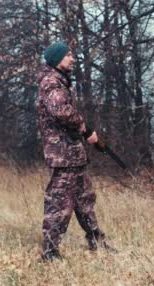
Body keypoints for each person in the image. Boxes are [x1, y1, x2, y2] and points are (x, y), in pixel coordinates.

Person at [36, 41, 116, 261]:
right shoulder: (51, 82)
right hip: (62, 155)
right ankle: (50, 252)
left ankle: (97, 242)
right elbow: (60, 111)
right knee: (59, 204)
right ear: (57, 59)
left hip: (72, 153)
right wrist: (82, 125)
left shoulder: (60, 82)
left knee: (85, 200)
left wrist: (84, 132)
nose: (72, 58)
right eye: (68, 55)